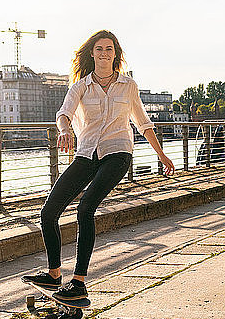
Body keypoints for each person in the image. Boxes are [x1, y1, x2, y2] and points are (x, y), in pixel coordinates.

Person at [22, 30, 174, 300]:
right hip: (86, 152)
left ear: (116, 54)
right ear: (91, 53)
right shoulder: (80, 86)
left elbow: (143, 123)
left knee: (86, 207)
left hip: (118, 152)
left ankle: (78, 282)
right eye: (99, 48)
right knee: (48, 212)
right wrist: (64, 130)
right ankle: (54, 274)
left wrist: (161, 155)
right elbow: (63, 114)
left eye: (109, 48)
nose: (104, 53)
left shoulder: (129, 86)